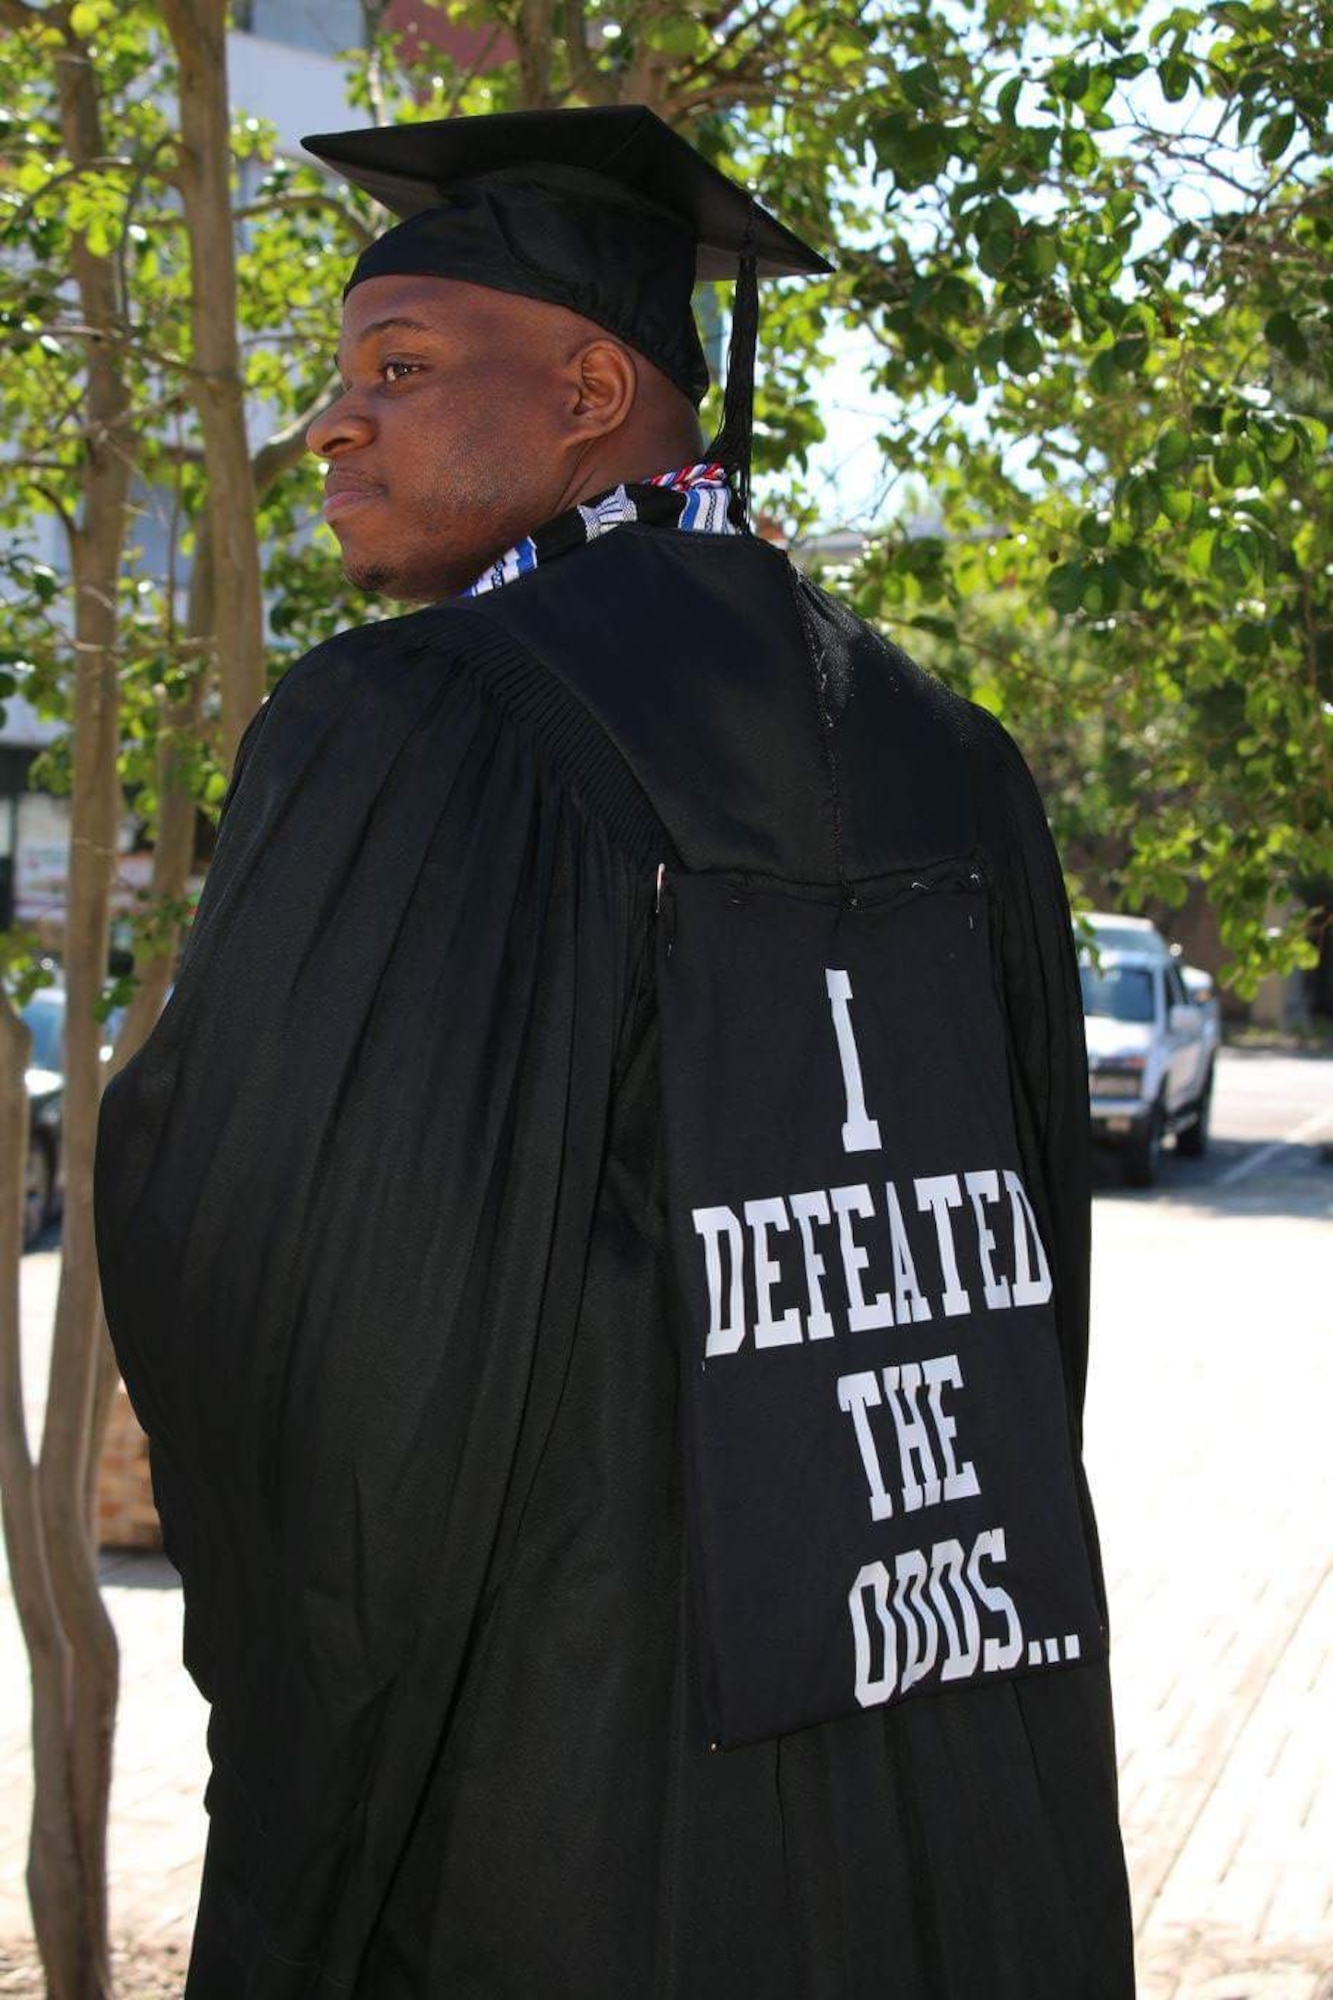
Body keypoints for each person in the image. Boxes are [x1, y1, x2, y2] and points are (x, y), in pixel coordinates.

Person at [93, 105, 1135, 1998]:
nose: (330, 424)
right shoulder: (950, 753)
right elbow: (1022, 1298)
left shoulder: (420, 727)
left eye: (397, 371)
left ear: (587, 386)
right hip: (938, 1753)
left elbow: (297, 1317)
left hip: (550, 1802)